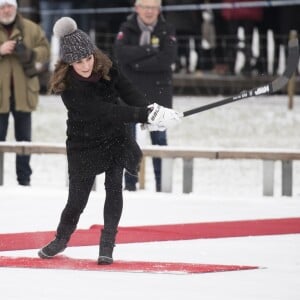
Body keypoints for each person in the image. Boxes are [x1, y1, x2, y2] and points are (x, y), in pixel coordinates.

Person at [37, 17, 180, 264]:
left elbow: (127, 90)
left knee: (114, 188)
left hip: (115, 137)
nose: (85, 65)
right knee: (77, 200)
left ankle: (107, 243)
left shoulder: (105, 66)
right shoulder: (68, 87)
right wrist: (145, 115)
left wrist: (152, 109)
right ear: (69, 63)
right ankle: (61, 238)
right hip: (83, 145)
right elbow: (106, 111)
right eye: (78, 62)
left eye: (88, 58)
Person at [114, 0, 177, 192]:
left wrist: (136, 65)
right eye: (145, 7)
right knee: (130, 142)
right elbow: (120, 54)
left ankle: (162, 186)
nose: (149, 11)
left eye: (153, 7)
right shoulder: (126, 28)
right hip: (130, 96)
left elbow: (168, 59)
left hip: (159, 95)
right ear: (137, 8)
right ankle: (130, 186)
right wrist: (149, 50)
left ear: (159, 10)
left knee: (159, 143)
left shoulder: (167, 29)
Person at [0, 0, 50, 186]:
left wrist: (29, 53)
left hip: (24, 94)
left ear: (16, 8)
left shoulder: (32, 28)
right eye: (2, 7)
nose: (6, 10)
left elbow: (46, 50)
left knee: (24, 141)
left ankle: (24, 181)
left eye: (10, 6)